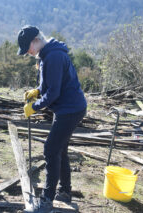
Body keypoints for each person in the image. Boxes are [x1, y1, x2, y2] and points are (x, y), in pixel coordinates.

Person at [17, 25, 87, 212]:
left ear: (36, 41)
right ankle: (64, 191)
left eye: (28, 48)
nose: (28, 53)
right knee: (60, 149)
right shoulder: (47, 54)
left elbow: (54, 93)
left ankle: (47, 200)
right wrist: (37, 91)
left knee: (50, 150)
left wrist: (34, 106)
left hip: (70, 109)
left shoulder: (54, 56)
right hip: (67, 108)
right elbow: (49, 85)